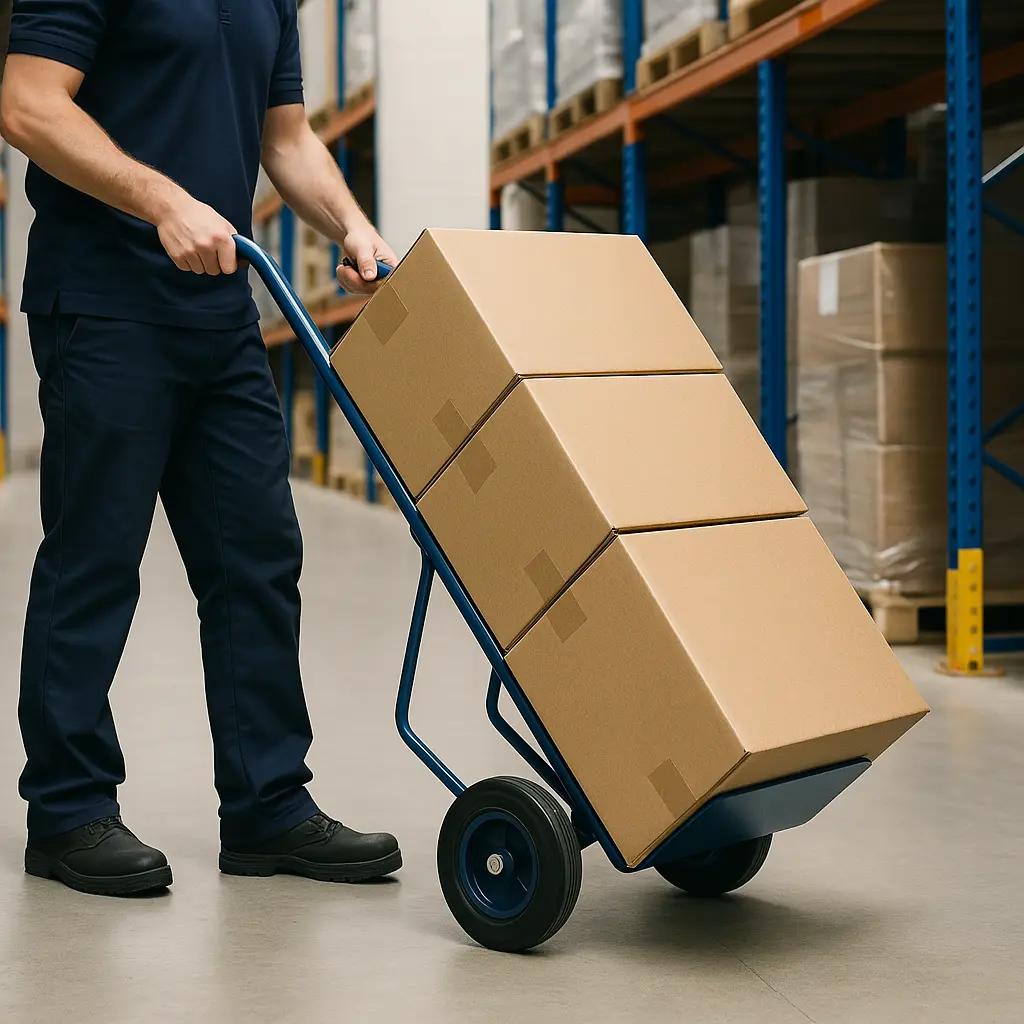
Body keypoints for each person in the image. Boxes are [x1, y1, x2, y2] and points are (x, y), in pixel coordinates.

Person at [1, 0, 401, 896]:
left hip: (220, 314)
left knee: (256, 557)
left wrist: (351, 225)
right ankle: (67, 812)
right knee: (94, 560)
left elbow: (286, 137)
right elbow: (27, 102)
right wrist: (163, 198)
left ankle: (267, 805)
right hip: (104, 303)